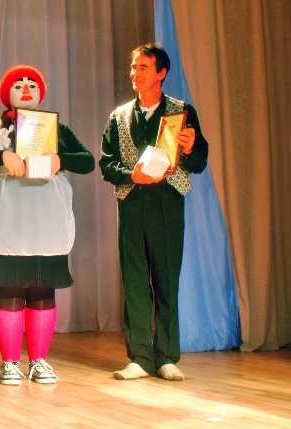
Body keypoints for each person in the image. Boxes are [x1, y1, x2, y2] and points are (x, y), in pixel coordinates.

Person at [0, 65, 94, 385]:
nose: (26, 88)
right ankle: (10, 363)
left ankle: (39, 360)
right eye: (18, 85)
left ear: (42, 93)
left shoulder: (57, 129)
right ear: (6, 95)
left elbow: (87, 161)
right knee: (8, 288)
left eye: (32, 84)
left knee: (43, 290)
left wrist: (61, 159)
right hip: (8, 219)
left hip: (45, 222)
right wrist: (0, 158)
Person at [99, 43, 208, 381]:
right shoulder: (118, 116)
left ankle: (166, 357)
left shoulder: (181, 112)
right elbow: (106, 165)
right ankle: (140, 358)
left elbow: (199, 161)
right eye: (134, 67)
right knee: (134, 281)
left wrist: (190, 148)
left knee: (166, 279)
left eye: (143, 67)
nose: (135, 73)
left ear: (161, 73)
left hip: (167, 203)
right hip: (132, 203)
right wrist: (131, 175)